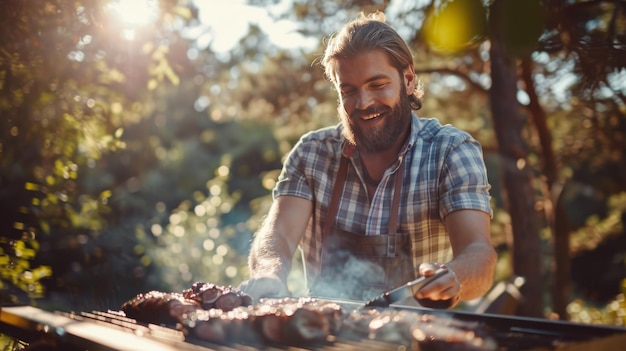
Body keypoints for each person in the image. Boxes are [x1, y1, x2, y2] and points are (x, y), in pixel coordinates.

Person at [240, 12, 496, 308]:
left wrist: (454, 276)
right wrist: (269, 274)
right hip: (323, 334)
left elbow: (479, 254)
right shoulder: (311, 153)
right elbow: (279, 234)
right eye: (348, 90)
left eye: (377, 85)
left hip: (414, 337)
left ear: (408, 79)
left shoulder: (450, 151)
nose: (363, 103)